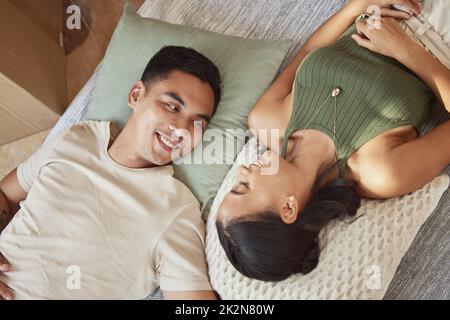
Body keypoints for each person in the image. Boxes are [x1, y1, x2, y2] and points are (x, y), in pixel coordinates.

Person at [216, 0, 450, 282]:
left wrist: (358, 5)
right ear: (288, 208)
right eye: (243, 188)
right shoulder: (379, 173)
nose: (241, 171)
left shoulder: (266, 120)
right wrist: (406, 51)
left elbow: (309, 50)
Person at [0, 46, 221, 299]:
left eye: (197, 123)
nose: (181, 130)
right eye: (172, 107)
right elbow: (6, 194)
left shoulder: (176, 210)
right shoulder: (77, 138)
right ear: (136, 95)